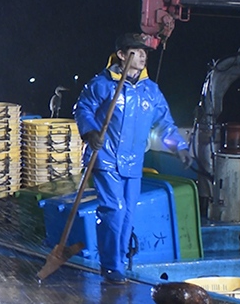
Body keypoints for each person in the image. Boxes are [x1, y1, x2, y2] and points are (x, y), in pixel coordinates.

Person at [74, 33, 192, 284]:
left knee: (127, 214)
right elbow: (83, 108)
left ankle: (120, 263)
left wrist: (179, 148)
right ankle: (111, 267)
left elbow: (165, 125)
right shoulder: (103, 84)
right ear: (121, 54)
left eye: (144, 52)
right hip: (105, 159)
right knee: (114, 211)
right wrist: (91, 132)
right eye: (137, 51)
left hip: (134, 164)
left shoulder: (151, 91)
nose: (143, 56)